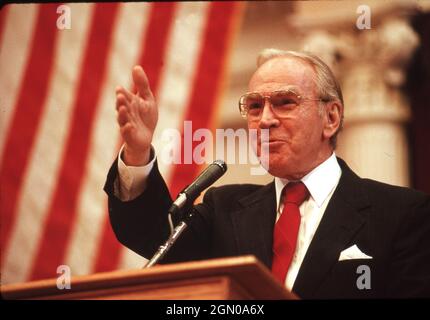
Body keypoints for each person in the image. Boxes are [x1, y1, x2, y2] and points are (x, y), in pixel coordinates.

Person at [104, 49, 430, 299]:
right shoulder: (225, 209)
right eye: (256, 107)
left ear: (331, 118)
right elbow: (152, 236)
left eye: (285, 102)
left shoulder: (402, 214)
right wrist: (137, 152)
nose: (265, 120)